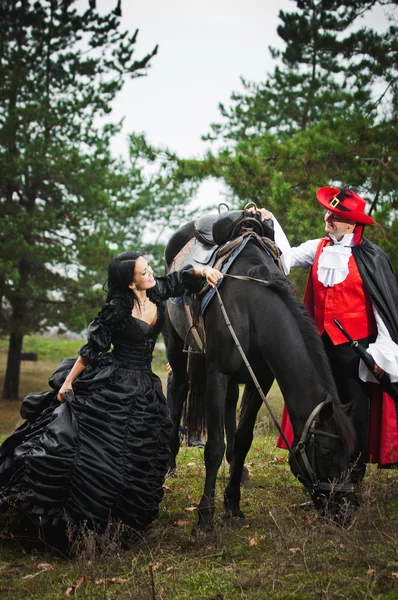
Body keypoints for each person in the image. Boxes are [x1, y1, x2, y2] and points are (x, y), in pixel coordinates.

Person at [0, 252, 222, 547]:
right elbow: (91, 349)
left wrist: (204, 270)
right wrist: (67, 382)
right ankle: (85, 522)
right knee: (101, 453)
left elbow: (180, 279)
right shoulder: (117, 309)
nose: (151, 273)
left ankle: (124, 518)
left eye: (149, 267)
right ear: (131, 283)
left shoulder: (156, 291)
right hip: (115, 383)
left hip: (144, 384)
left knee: (142, 447)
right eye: (144, 272)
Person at [253, 188, 398, 476]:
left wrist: (383, 353)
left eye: (337, 216)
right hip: (320, 350)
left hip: (356, 352)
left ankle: (352, 481)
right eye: (329, 213)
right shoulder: (316, 247)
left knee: (356, 416)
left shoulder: (371, 257)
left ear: (352, 223)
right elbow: (286, 258)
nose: (329, 218)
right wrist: (271, 221)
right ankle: (325, 475)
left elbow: (382, 309)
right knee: (323, 413)